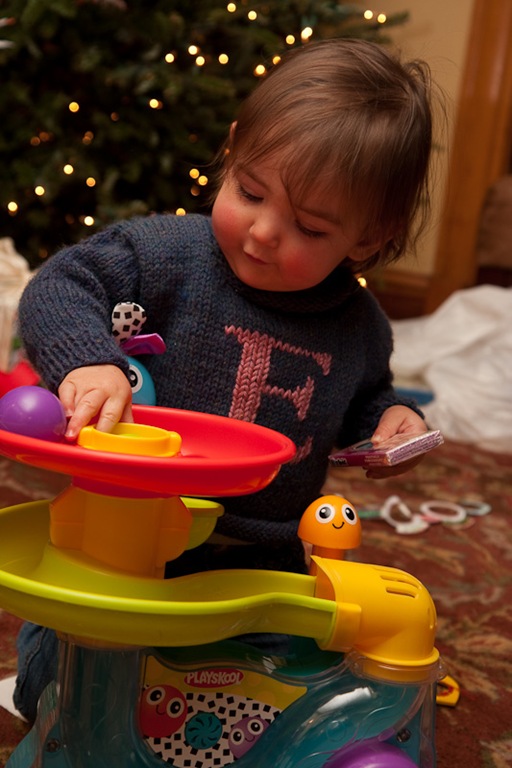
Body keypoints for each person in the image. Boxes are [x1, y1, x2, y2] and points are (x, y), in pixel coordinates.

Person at [14, 38, 435, 723]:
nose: (264, 232)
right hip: (124, 545)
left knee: (281, 696)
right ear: (234, 149)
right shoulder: (167, 254)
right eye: (250, 192)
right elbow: (60, 285)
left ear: (368, 237)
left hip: (263, 569)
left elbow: (367, 402)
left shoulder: (362, 328)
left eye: (309, 227)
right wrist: (87, 358)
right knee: (66, 685)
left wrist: (392, 424)